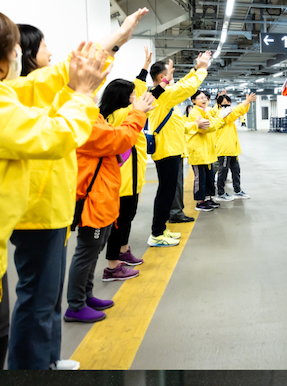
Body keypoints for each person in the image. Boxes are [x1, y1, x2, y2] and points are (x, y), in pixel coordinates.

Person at [0, 14, 140, 368]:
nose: (52, 51)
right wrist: (83, 93)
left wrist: (118, 38)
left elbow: (75, 66)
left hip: (55, 207)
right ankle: (34, 366)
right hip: (38, 211)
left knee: (47, 297)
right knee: (37, 297)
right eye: (44, 45)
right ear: (23, 53)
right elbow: (66, 131)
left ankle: (47, 357)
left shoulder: (41, 89)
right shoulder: (21, 95)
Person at [62, 84, 153, 324]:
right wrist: (138, 113)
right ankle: (76, 304)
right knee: (86, 253)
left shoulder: (95, 115)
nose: (94, 89)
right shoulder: (83, 119)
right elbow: (117, 140)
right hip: (94, 199)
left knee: (93, 251)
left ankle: (86, 295)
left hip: (103, 196)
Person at [145, 51, 211, 247]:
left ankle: (161, 229)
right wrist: (202, 70)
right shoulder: (162, 96)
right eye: (170, 73)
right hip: (167, 152)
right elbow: (187, 87)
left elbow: (178, 124)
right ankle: (157, 233)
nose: (173, 76)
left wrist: (195, 125)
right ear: (161, 77)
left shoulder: (165, 97)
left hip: (171, 150)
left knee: (167, 192)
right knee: (166, 193)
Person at [101, 61, 152, 285]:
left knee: (128, 219)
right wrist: (160, 85)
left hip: (132, 180)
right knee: (120, 222)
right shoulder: (120, 115)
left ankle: (123, 251)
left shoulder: (122, 113)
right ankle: (112, 266)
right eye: (131, 95)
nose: (136, 98)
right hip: (123, 183)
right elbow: (143, 101)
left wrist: (144, 70)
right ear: (123, 97)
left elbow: (140, 94)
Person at [212, 92, 253, 201]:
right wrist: (246, 102)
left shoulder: (229, 114)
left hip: (232, 149)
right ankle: (220, 193)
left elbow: (241, 111)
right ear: (219, 105)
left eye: (228, 103)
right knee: (223, 172)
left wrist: (247, 103)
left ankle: (237, 191)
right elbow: (236, 111)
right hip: (224, 148)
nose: (227, 105)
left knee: (236, 171)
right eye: (224, 103)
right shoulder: (221, 115)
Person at [184, 91, 220, 212]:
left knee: (210, 177)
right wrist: (219, 119)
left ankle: (209, 198)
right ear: (193, 100)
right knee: (201, 178)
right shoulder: (194, 113)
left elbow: (212, 119)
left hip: (207, 151)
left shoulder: (205, 111)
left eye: (205, 97)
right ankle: (200, 201)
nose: (204, 99)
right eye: (200, 98)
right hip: (198, 152)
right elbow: (207, 128)